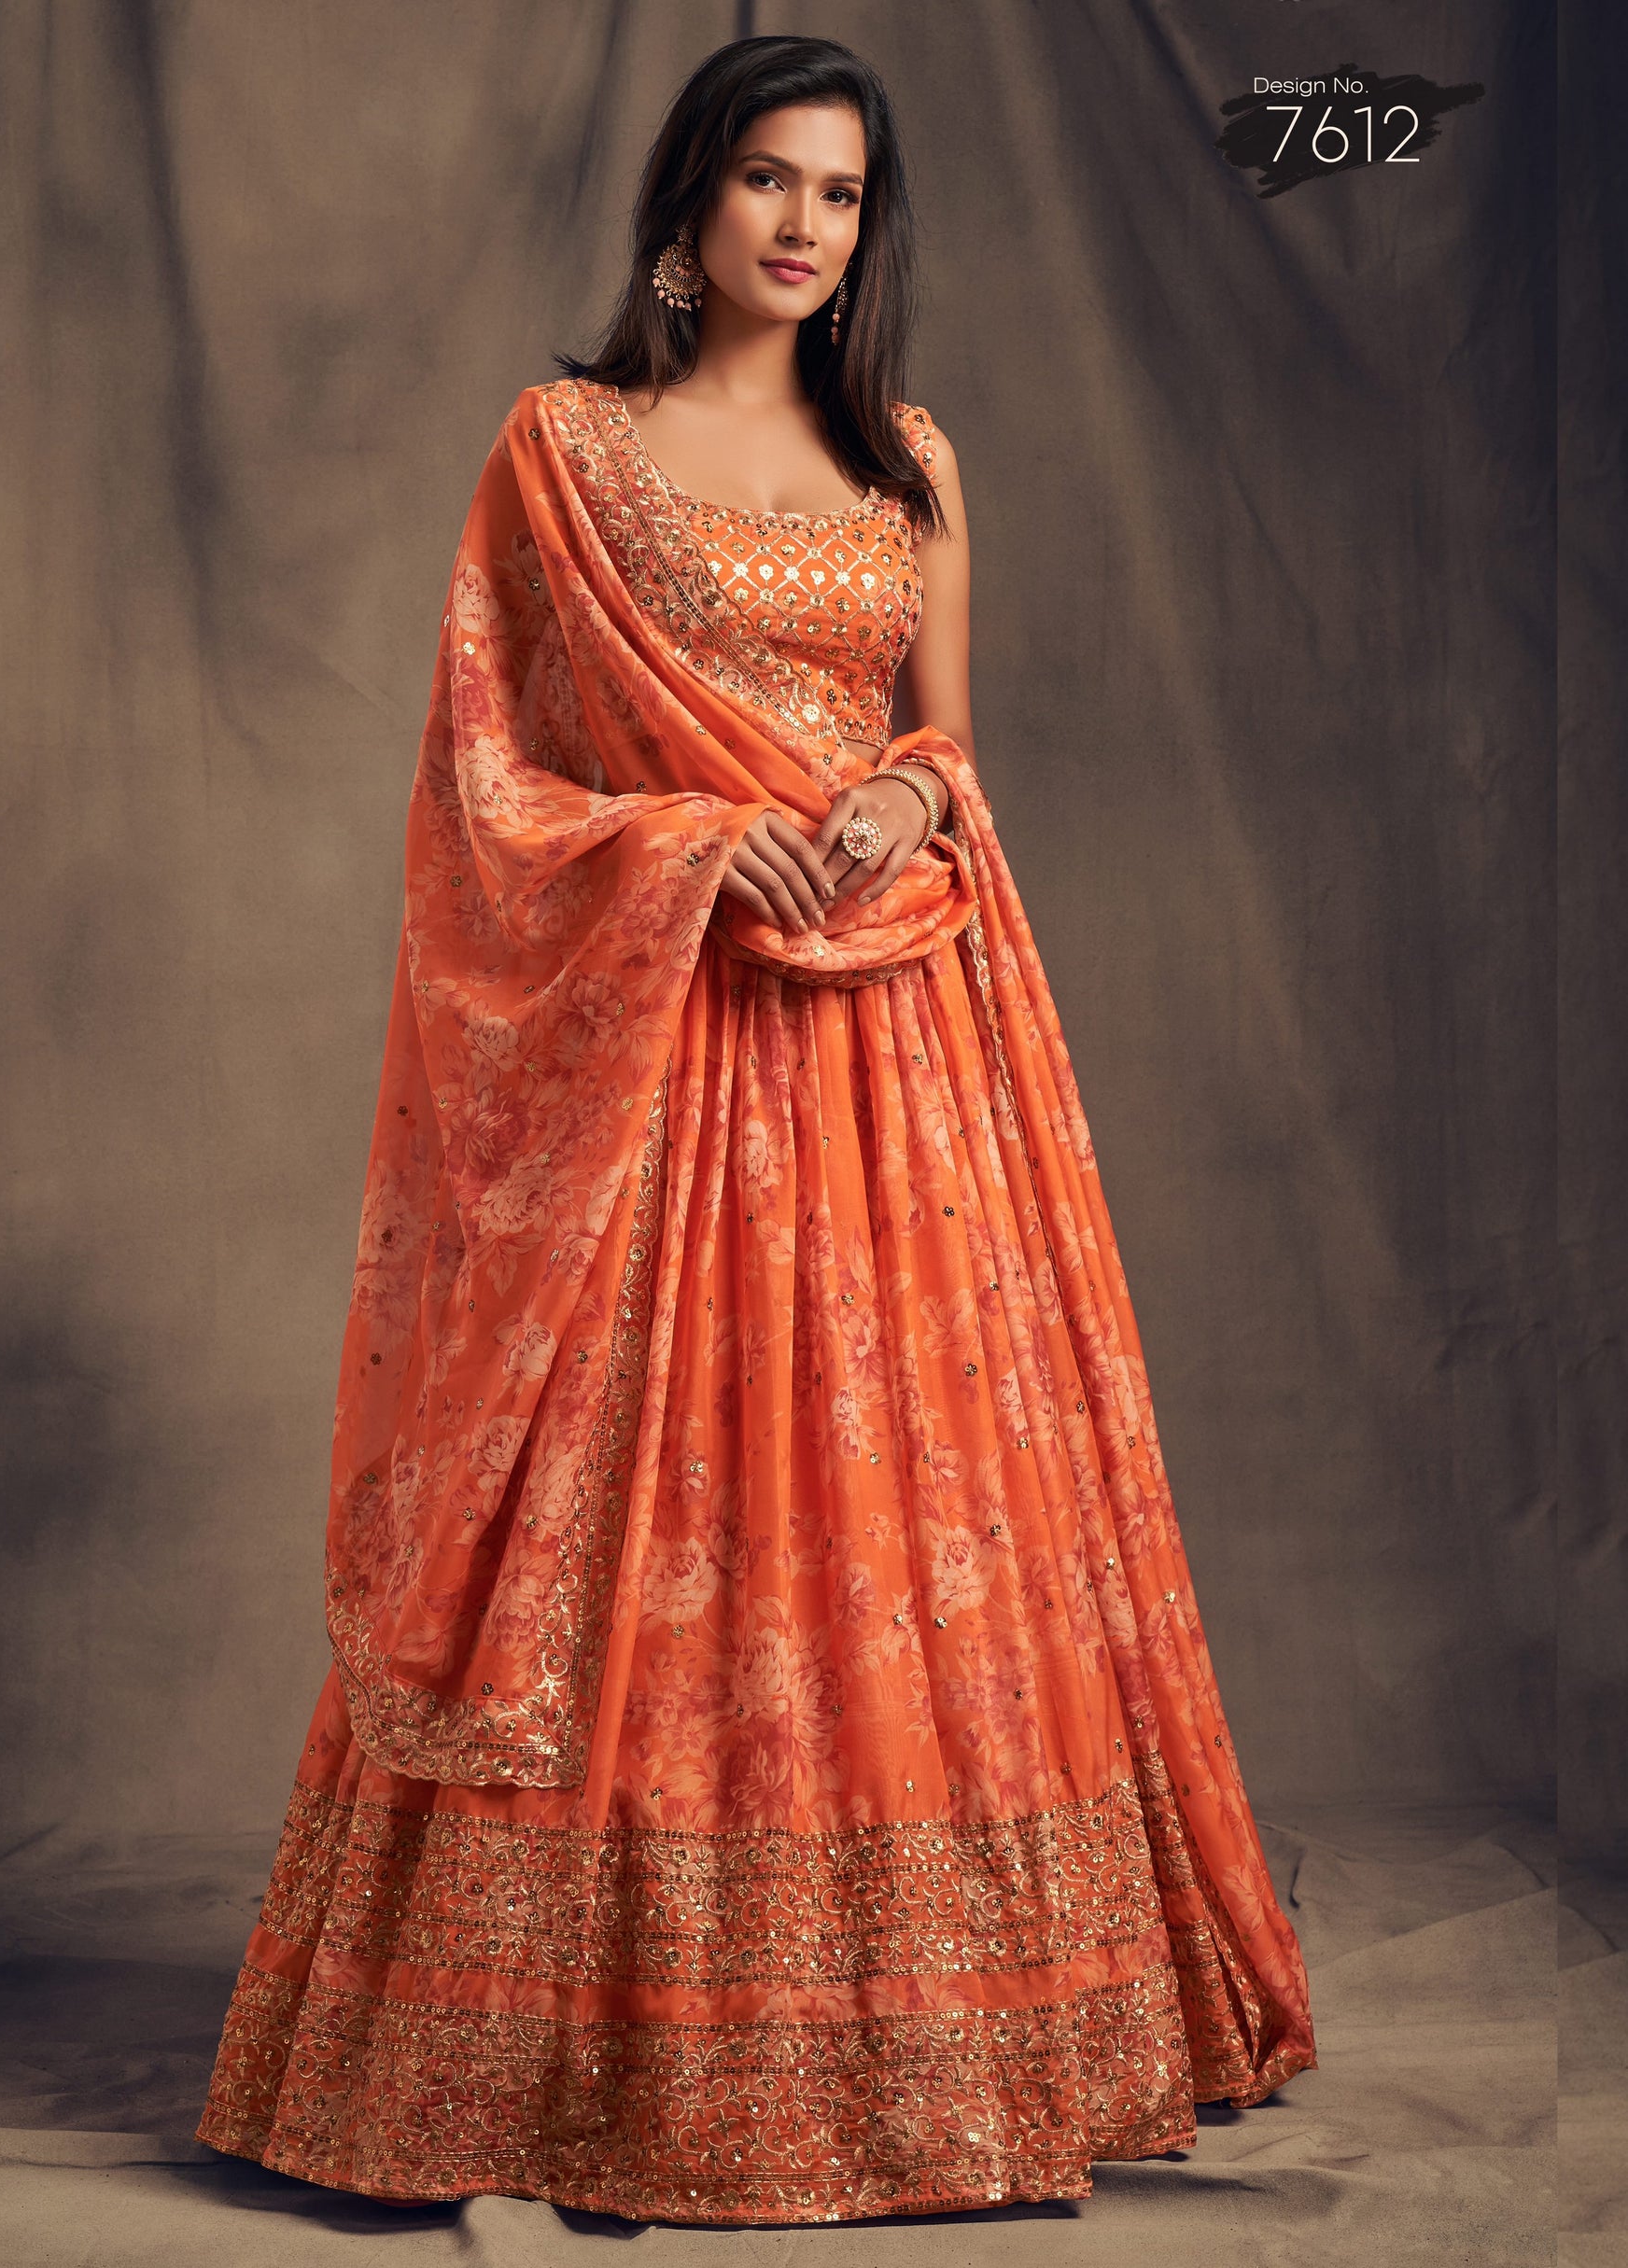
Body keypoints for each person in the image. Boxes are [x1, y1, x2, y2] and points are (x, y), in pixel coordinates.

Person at [195, 33, 1316, 2225]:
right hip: (663, 1066)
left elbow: (948, 746)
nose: (807, 228)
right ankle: (578, 2058)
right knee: (647, 1517)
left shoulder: (907, 457)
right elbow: (486, 784)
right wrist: (695, 849)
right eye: (769, 183)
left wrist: (897, 791)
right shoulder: (567, 450)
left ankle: (928, 2038)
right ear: (688, 201)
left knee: (907, 1511)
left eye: (843, 196)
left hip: (901, 1052)